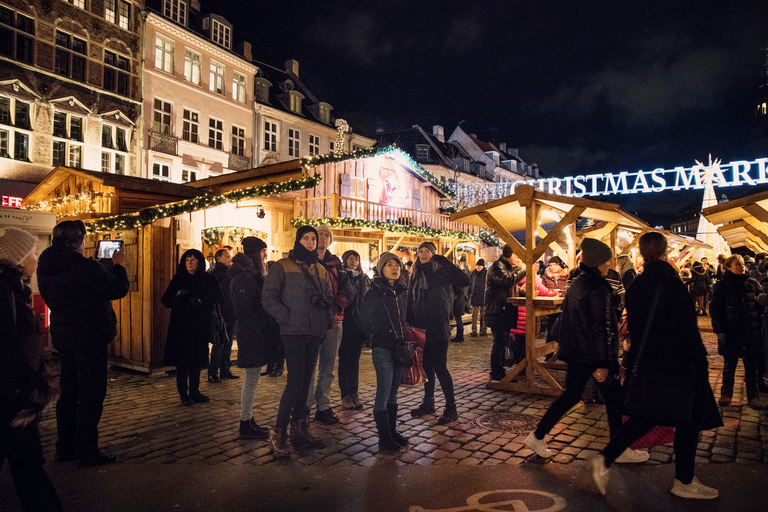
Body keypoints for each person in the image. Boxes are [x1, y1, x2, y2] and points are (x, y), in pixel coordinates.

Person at [591, 232, 722, 499]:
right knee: (688, 420)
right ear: (664, 252)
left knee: (645, 417)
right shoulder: (671, 284)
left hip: (648, 364)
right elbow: (687, 332)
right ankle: (684, 480)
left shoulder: (638, 285)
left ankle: (605, 458)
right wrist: (700, 363)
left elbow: (637, 328)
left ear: (641, 253)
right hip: (677, 366)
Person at [524, 238, 649, 465]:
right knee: (613, 399)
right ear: (596, 262)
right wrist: (602, 362)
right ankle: (619, 448)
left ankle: (537, 436)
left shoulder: (578, 282)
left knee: (573, 396)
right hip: (592, 354)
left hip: (577, 351)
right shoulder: (597, 287)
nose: (608, 265)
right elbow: (602, 327)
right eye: (605, 261)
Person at [37, 220, 129, 467]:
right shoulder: (84, 267)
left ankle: (64, 448)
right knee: (91, 394)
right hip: (90, 337)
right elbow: (118, 288)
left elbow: (53, 295)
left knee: (68, 393)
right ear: (78, 240)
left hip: (64, 336)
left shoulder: (47, 265)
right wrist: (118, 266)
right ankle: (86, 450)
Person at [1, 228, 63, 510]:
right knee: (27, 461)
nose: (36, 260)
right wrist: (28, 383)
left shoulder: (12, 289)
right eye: (33, 253)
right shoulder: (4, 292)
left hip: (16, 393)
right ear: (18, 258)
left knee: (28, 461)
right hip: (11, 394)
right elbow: (7, 346)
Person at [262, 226, 332, 456]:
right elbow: (269, 298)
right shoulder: (283, 266)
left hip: (315, 331)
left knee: (306, 381)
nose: (311, 242)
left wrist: (325, 322)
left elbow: (327, 298)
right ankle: (280, 431)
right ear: (298, 240)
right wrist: (287, 317)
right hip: (293, 331)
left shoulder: (320, 269)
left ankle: (300, 428)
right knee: (295, 380)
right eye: (306, 238)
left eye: (313, 239)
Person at [408, 241, 469, 424]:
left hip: (438, 326)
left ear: (433, 254)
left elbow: (464, 281)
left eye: (427, 251)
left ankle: (451, 408)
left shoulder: (442, 272)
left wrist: (448, 264)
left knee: (440, 368)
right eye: (421, 251)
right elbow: (412, 299)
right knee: (426, 367)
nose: (424, 253)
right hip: (421, 328)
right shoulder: (416, 273)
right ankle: (429, 403)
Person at [358, 252, 410, 453]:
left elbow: (406, 317)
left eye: (397, 264)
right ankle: (384, 439)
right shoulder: (375, 292)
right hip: (382, 348)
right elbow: (363, 320)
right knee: (383, 393)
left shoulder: (402, 291)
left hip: (400, 348)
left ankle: (392, 432)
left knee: (394, 395)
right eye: (389, 264)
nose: (395, 268)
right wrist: (382, 331)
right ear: (381, 269)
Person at [230, 237, 279, 439]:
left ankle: (248, 419)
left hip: (256, 332)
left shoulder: (251, 275)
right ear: (255, 254)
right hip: (252, 333)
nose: (265, 256)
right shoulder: (246, 277)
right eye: (263, 252)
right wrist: (261, 323)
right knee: (251, 379)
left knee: (253, 378)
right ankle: (245, 422)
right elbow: (244, 310)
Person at [162, 249, 223, 406]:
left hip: (199, 326)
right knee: (182, 361)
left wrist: (202, 301)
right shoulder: (178, 279)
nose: (190, 261)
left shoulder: (209, 279)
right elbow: (166, 300)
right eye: (187, 259)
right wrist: (177, 296)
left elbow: (219, 299)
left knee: (196, 360)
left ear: (200, 262)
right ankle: (183, 393)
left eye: (194, 259)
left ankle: (195, 391)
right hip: (180, 327)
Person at [306, 224, 351, 425]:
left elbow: (347, 290)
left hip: (334, 321)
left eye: (326, 235)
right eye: (319, 234)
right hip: (310, 322)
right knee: (308, 366)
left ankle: (323, 406)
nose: (323, 237)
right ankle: (305, 406)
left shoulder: (336, 264)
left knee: (328, 367)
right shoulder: (303, 262)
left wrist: (337, 305)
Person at [710, 254, 763, 410]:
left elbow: (759, 307)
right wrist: (720, 331)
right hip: (732, 332)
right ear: (728, 267)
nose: (742, 267)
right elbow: (716, 310)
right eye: (738, 264)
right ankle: (726, 394)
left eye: (742, 264)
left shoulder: (752, 283)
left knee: (751, 366)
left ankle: (753, 396)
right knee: (729, 365)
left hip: (750, 331)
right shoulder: (722, 286)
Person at [485, 245, 525, 380]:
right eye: (516, 255)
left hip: (504, 311)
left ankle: (500, 371)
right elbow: (507, 282)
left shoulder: (507, 268)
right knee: (499, 342)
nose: (518, 259)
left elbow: (512, 289)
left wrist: (526, 292)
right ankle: (496, 373)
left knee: (503, 341)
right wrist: (522, 270)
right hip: (497, 311)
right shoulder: (497, 267)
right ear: (508, 255)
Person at [338, 249, 371, 410]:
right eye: (351, 259)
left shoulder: (364, 279)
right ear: (345, 260)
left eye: (356, 259)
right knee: (345, 360)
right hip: (345, 323)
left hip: (359, 324)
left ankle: (354, 393)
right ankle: (345, 395)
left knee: (355, 361)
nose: (354, 262)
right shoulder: (342, 276)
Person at [208, 247, 238, 383]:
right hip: (220, 313)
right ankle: (213, 372)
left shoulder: (231, 273)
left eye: (230, 256)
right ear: (219, 258)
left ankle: (225, 370)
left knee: (228, 343)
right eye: (227, 257)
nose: (229, 259)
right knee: (219, 343)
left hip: (231, 312)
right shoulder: (215, 274)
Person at [468, 259, 487, 337]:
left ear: (483, 266)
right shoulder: (473, 273)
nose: (478, 267)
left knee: (484, 315)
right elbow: (470, 284)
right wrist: (469, 294)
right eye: (477, 266)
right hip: (475, 296)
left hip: (483, 297)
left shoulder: (486, 273)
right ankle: (474, 330)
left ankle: (483, 330)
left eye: (479, 266)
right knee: (474, 315)